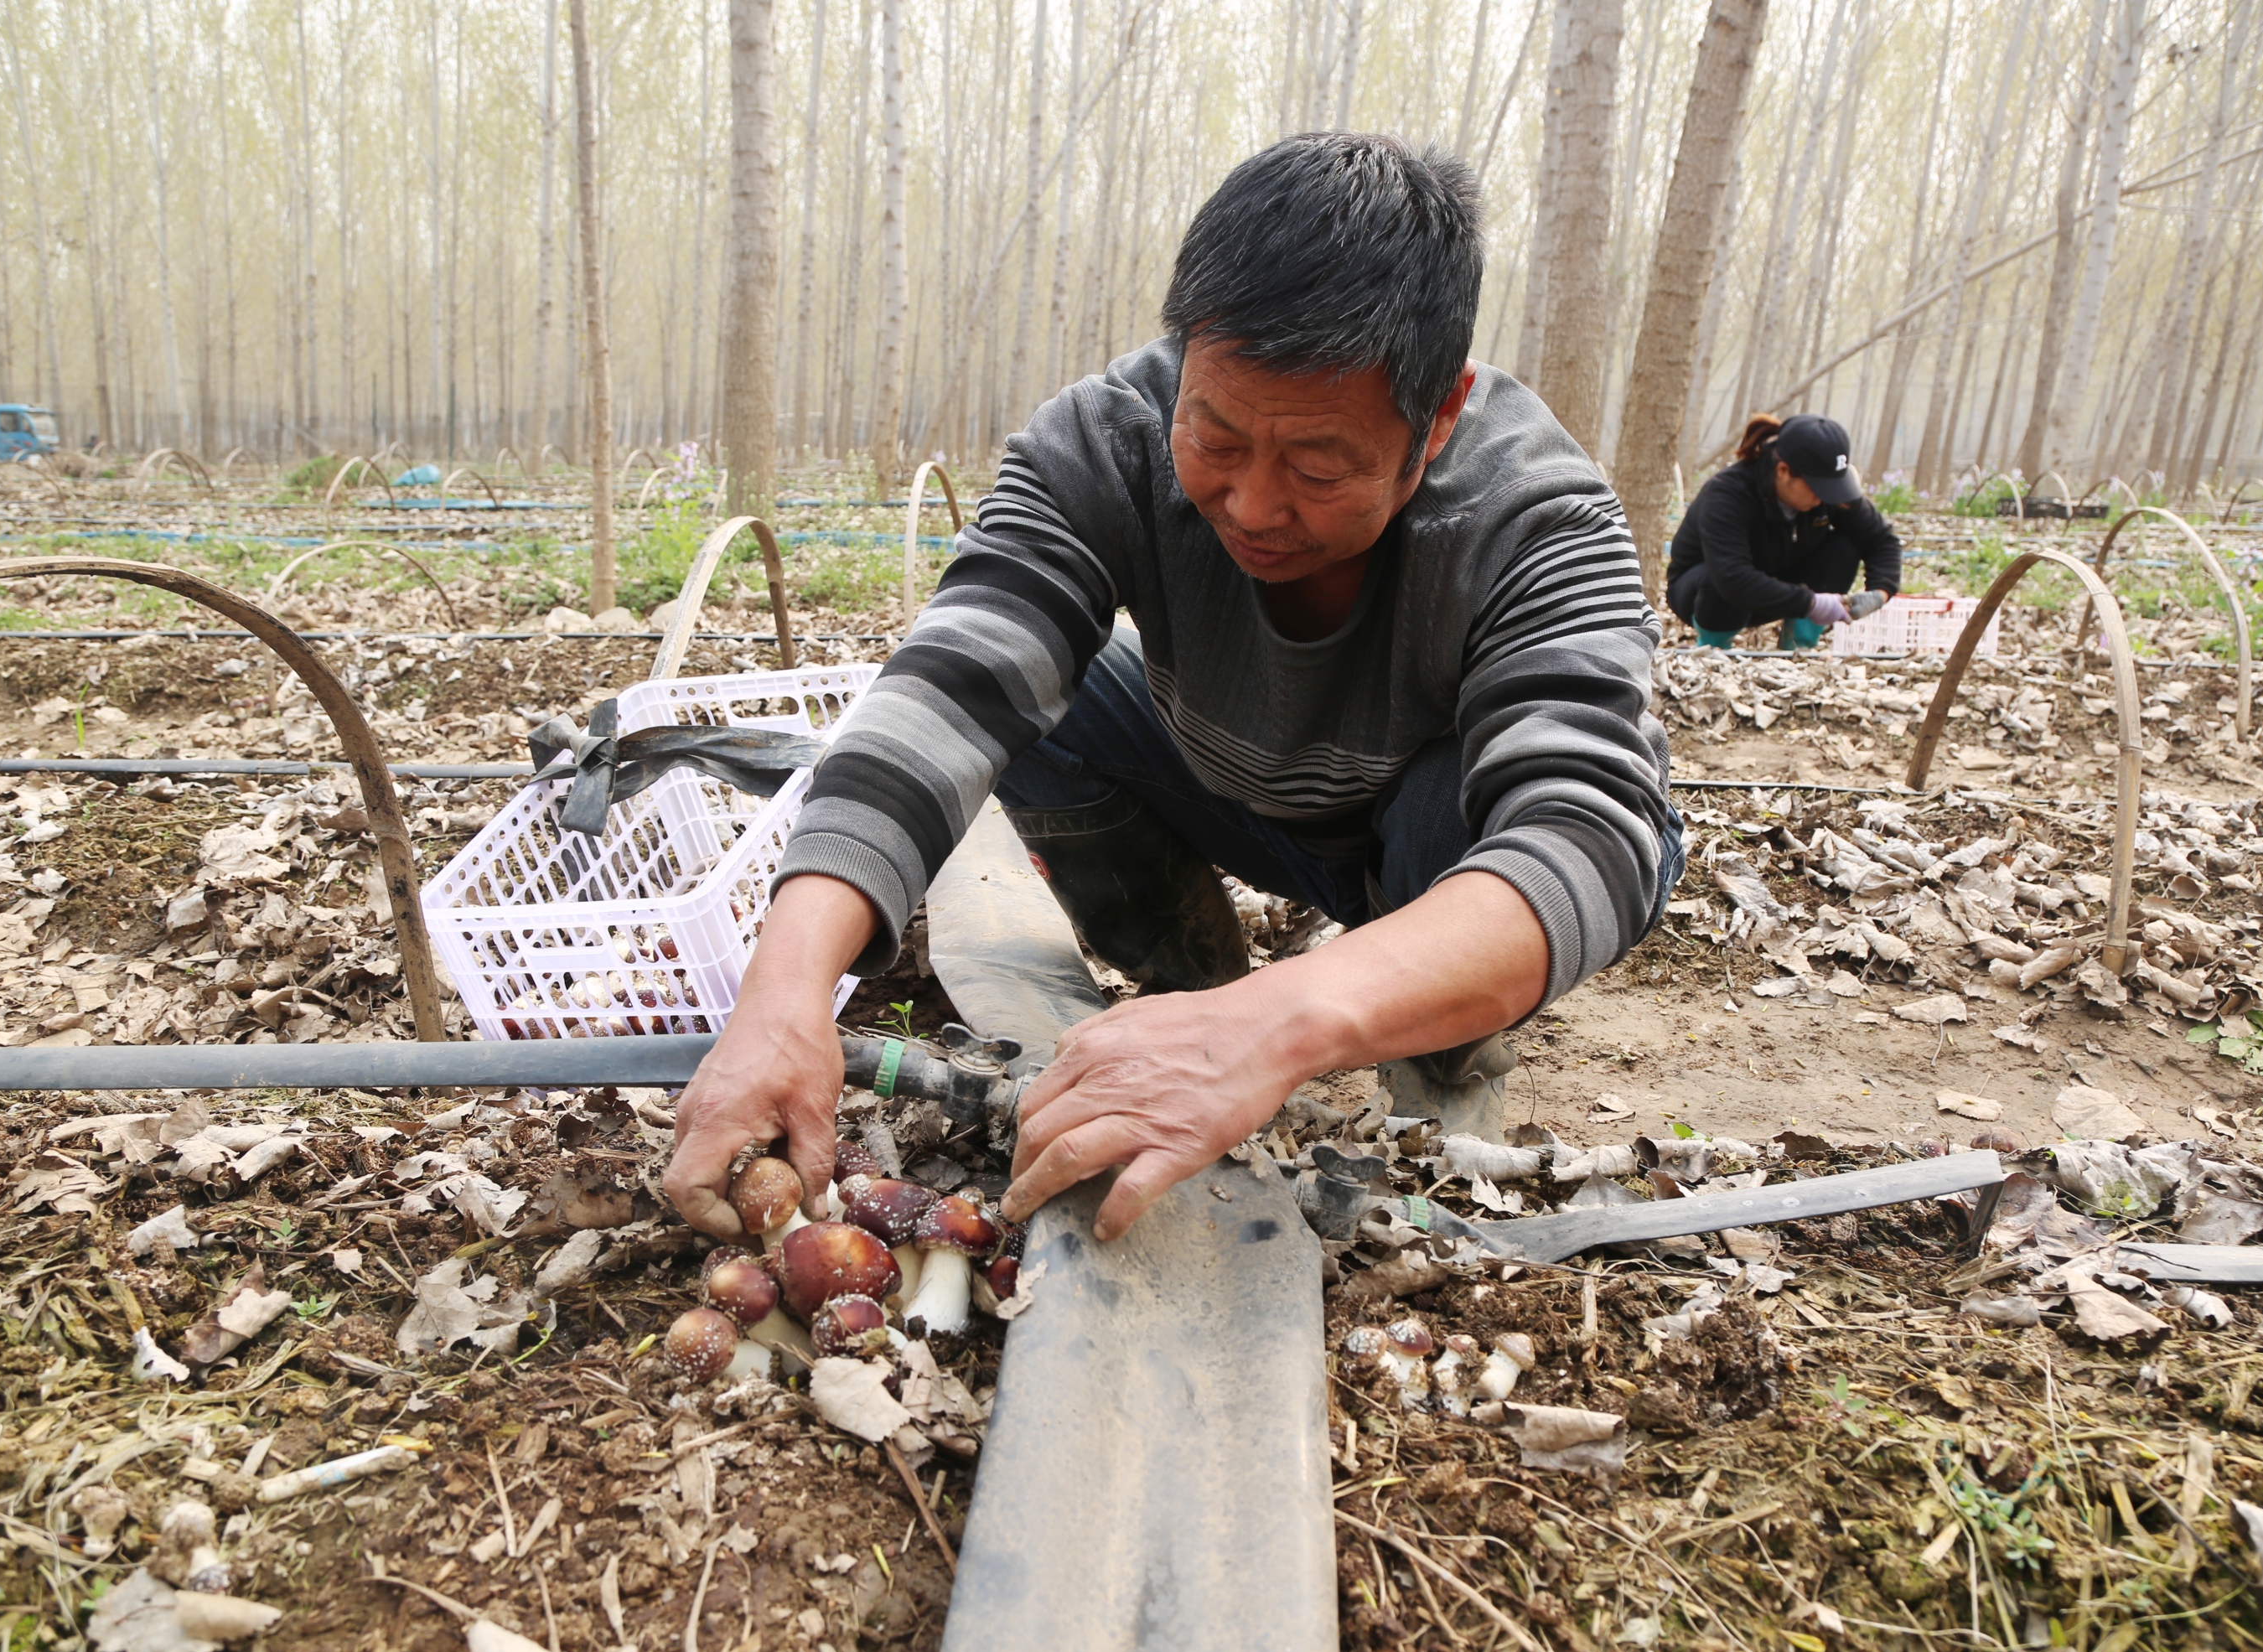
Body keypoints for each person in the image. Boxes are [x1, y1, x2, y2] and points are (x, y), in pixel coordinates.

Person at [664, 133, 1681, 1244]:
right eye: (1216, 431)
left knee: (1475, 806)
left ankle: (1425, 1047)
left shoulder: (1537, 518)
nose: (1249, 503)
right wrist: (786, 984)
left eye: (1318, 469)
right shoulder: (1107, 437)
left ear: (1435, 422)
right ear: (1184, 363)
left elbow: (1590, 838)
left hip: (1434, 842)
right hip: (1241, 780)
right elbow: (948, 684)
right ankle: (1187, 994)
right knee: (1043, 704)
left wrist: (1281, 1026)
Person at [1665, 412, 1902, 651]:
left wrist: (1879, 593)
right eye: (1817, 488)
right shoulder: (1728, 494)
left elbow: (1881, 540)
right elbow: (1732, 577)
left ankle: (1800, 645)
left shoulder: (1829, 496)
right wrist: (1811, 603)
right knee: (1717, 578)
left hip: (1782, 591)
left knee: (1843, 549)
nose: (1823, 499)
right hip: (1706, 594)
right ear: (1783, 470)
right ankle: (1714, 647)